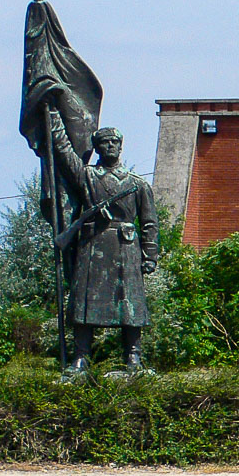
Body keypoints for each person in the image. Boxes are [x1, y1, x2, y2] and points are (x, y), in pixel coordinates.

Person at [47, 115, 159, 374]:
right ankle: (81, 358)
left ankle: (134, 358)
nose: (110, 146)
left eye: (114, 142)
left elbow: (150, 223)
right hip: (93, 244)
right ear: (96, 148)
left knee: (130, 304)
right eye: (104, 142)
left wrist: (149, 256)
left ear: (121, 147)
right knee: (84, 304)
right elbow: (63, 149)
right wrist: (52, 113)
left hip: (126, 247)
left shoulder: (136, 184)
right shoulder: (86, 175)